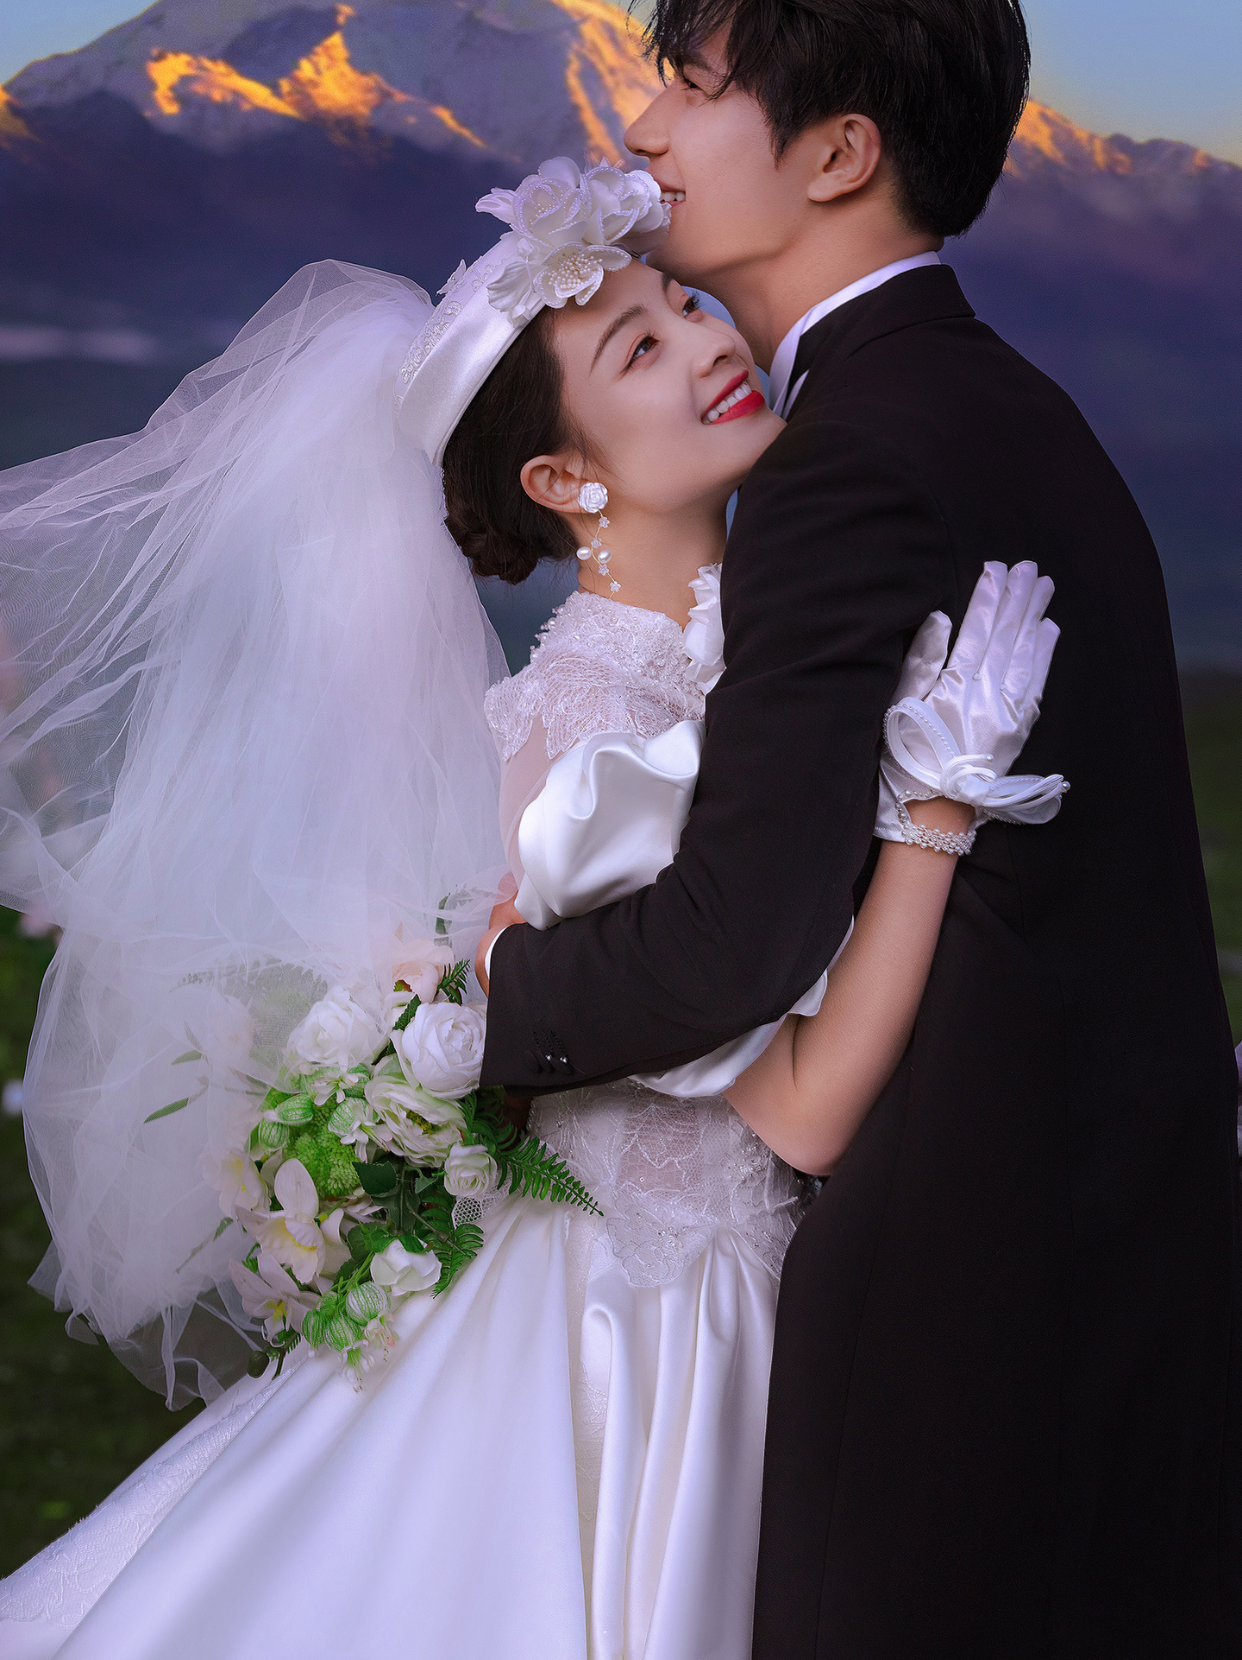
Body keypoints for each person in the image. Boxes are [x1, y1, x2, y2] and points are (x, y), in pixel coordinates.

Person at [0, 166, 1064, 1658]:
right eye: (641, 346)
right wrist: (934, 812)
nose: (710, 342)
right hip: (647, 1326)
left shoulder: (751, 671)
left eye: (684, 303)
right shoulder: (588, 751)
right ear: (564, 482)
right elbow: (806, 1111)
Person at [475, 3, 1242, 1656]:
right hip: (1111, 1238)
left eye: (693, 87)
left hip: (959, 1266)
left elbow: (733, 939)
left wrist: (488, 1000)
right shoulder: (996, 401)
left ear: (836, 152)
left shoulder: (849, 459)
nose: (645, 131)